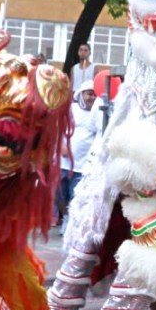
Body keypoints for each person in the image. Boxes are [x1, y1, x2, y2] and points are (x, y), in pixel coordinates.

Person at [55, 79, 101, 228]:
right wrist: (61, 145)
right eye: (89, 94)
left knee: (76, 196)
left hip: (82, 165)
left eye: (94, 95)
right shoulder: (70, 109)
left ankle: (71, 222)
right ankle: (66, 216)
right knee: (60, 194)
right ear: (81, 94)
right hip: (63, 163)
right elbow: (56, 129)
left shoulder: (98, 112)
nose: (92, 97)